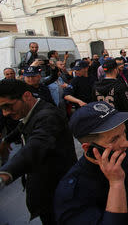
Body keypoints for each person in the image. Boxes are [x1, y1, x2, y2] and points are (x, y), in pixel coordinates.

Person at [0, 79, 77, 225]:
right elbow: (23, 126)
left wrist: (6, 173)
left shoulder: (48, 116)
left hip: (56, 193)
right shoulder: (34, 111)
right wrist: (7, 140)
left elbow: (36, 145)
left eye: (8, 106)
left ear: (27, 96)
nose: (5, 113)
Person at [93, 59, 128, 158]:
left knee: (115, 147)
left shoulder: (96, 86)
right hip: (124, 121)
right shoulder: (118, 85)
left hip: (106, 122)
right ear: (115, 70)